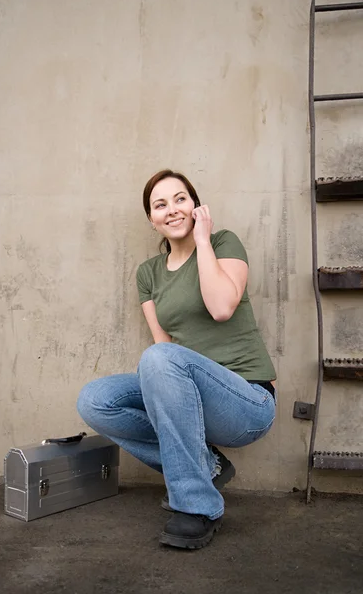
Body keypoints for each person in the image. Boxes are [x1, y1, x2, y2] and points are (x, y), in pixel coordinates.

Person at [77, 169, 277, 550]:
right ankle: (206, 465)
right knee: (95, 400)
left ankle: (197, 507)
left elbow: (221, 308)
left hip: (246, 402)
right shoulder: (148, 273)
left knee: (159, 358)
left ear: (195, 205)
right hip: (185, 391)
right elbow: (162, 347)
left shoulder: (223, 243)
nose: (172, 209)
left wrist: (203, 240)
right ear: (152, 220)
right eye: (160, 204)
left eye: (180, 198)